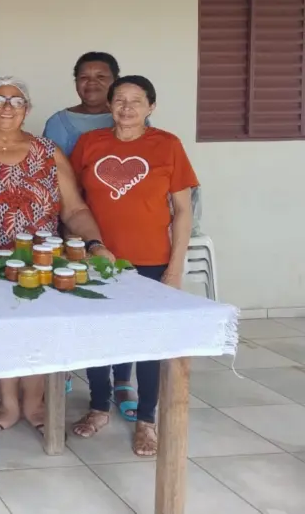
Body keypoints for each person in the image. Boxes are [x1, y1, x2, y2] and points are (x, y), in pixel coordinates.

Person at [0, 76, 114, 438]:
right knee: (1, 331)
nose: (6, 107)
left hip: (39, 261)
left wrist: (95, 244)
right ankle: (8, 404)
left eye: (16, 101)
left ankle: (35, 403)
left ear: (27, 109)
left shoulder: (47, 151)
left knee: (37, 330)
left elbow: (74, 210)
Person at [69, 75, 198, 458]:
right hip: (99, 259)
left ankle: (146, 420)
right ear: (109, 106)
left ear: (151, 106)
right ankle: (98, 406)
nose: (127, 107)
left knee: (148, 340)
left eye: (136, 100)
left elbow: (183, 212)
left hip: (151, 260)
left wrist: (174, 268)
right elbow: (73, 201)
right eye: (119, 100)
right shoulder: (91, 143)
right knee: (99, 336)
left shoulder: (167, 145)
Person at [42, 52, 120, 156]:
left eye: (101, 77)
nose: (92, 82)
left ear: (116, 81)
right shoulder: (57, 123)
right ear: (76, 82)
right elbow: (49, 168)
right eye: (84, 77)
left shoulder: (132, 118)